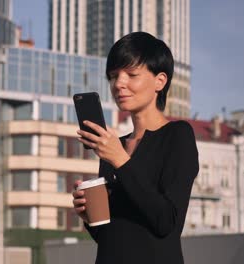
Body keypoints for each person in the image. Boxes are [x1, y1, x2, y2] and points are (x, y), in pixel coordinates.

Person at [72, 32, 199, 264]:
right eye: (113, 76)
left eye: (131, 74)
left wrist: (121, 161)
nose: (119, 84)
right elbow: (111, 236)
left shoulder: (178, 135)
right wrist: (90, 216)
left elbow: (165, 222)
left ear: (160, 81)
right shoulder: (114, 146)